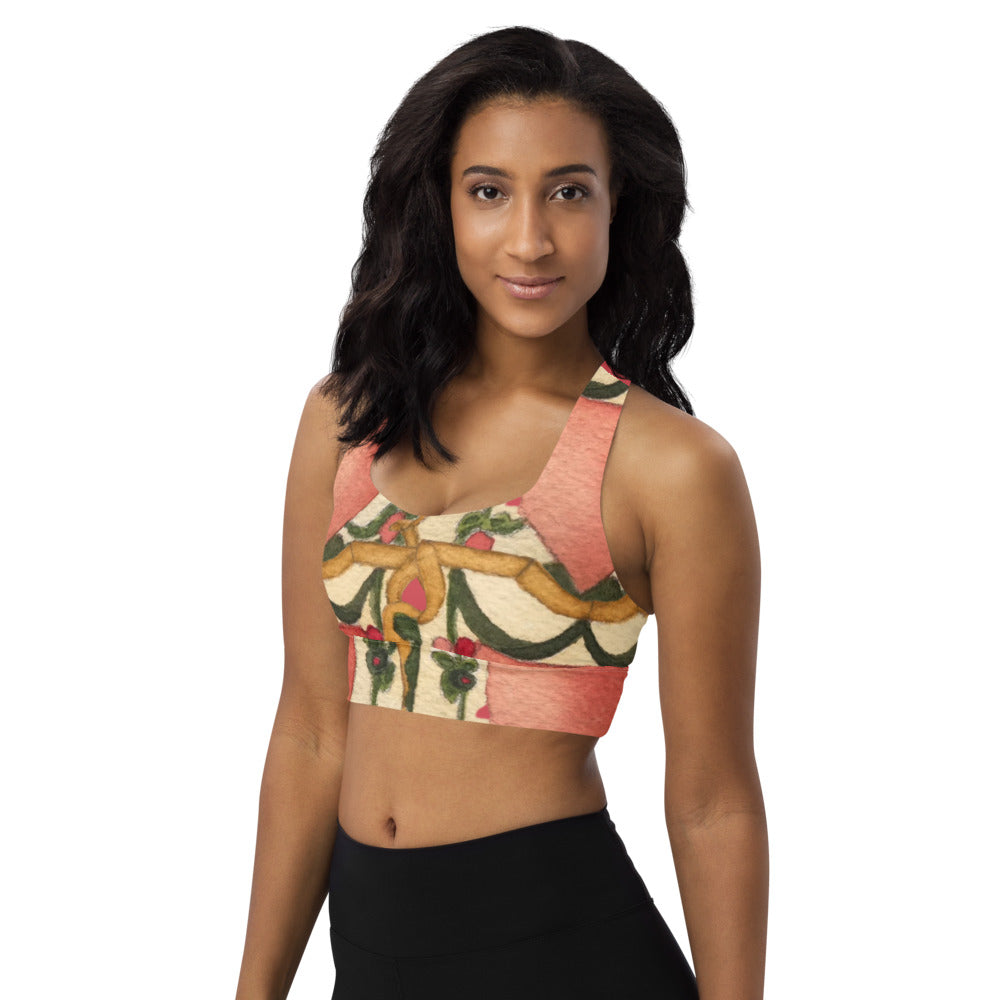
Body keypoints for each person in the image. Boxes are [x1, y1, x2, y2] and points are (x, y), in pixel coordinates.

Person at [235, 25, 767, 1000]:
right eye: (488, 192)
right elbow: (310, 731)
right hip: (374, 959)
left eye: (569, 192)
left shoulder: (673, 467)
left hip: (566, 954)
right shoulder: (346, 420)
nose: (529, 239)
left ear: (619, 206)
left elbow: (712, 800)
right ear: (438, 203)